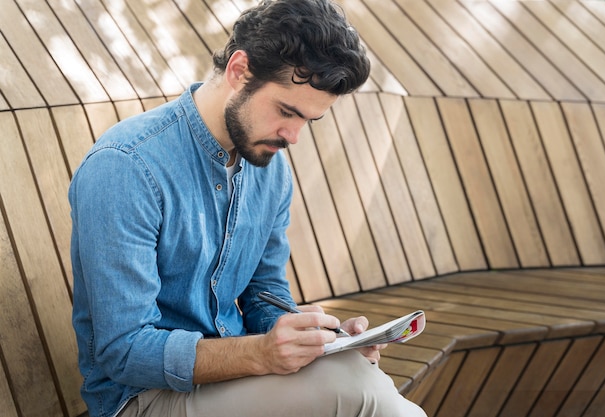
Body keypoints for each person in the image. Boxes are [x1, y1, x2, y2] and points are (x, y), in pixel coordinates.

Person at [69, 0, 428, 416]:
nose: (293, 136)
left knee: (356, 377)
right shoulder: (127, 166)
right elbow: (125, 352)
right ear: (239, 71)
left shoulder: (269, 170)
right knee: (364, 396)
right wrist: (260, 354)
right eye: (286, 111)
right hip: (141, 399)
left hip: (236, 380)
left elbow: (265, 296)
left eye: (307, 121)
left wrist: (318, 340)